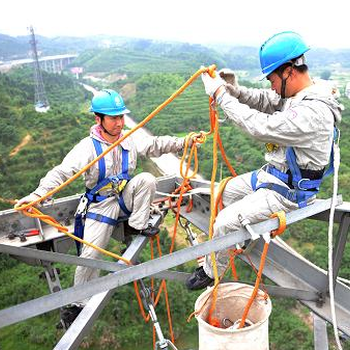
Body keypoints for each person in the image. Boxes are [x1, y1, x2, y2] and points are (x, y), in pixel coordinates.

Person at [15, 89, 188, 325]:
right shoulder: (87, 147)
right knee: (91, 255)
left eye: (121, 117)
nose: (119, 123)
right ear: (99, 119)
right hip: (101, 203)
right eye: (113, 118)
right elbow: (62, 172)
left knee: (147, 179)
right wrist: (37, 195)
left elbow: (154, 145)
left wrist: (183, 142)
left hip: (125, 195)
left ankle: (138, 225)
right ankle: (77, 303)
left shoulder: (129, 137)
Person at [186, 31, 342, 290]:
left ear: (289, 71)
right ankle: (235, 239)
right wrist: (232, 90)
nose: (270, 85)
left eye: (271, 78)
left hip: (290, 193)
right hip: (274, 176)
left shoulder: (313, 111)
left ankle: (211, 271)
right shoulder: (297, 95)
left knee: (224, 222)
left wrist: (221, 95)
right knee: (220, 195)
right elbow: (264, 100)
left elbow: (259, 126)